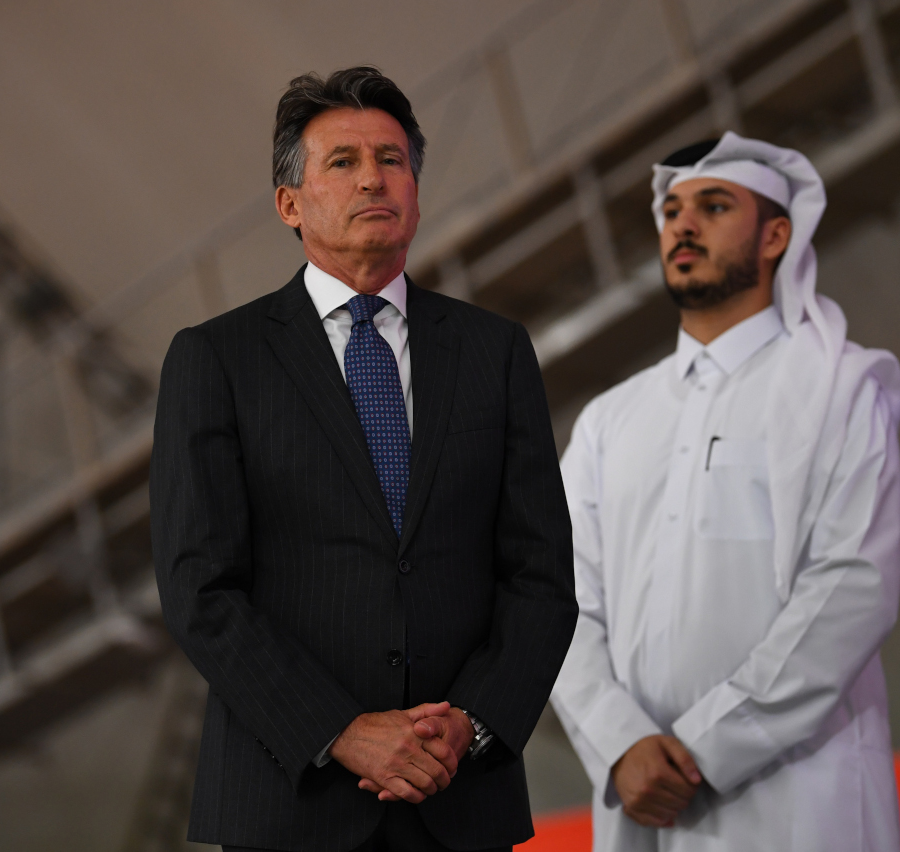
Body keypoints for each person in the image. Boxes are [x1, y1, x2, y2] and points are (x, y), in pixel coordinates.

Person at [150, 66, 577, 852]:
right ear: (290, 203)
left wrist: (471, 723)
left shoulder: (494, 352)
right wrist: (339, 730)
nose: (373, 178)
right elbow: (199, 589)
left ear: (415, 189)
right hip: (289, 804)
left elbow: (540, 573)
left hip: (459, 798)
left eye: (391, 159)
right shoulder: (218, 359)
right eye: (342, 162)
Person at [550, 131, 900, 851]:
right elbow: (554, 596)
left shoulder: (842, 389)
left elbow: (853, 585)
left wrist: (708, 747)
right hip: (642, 804)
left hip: (801, 798)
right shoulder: (610, 421)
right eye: (672, 210)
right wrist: (621, 742)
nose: (683, 225)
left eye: (714, 206)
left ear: (776, 236)